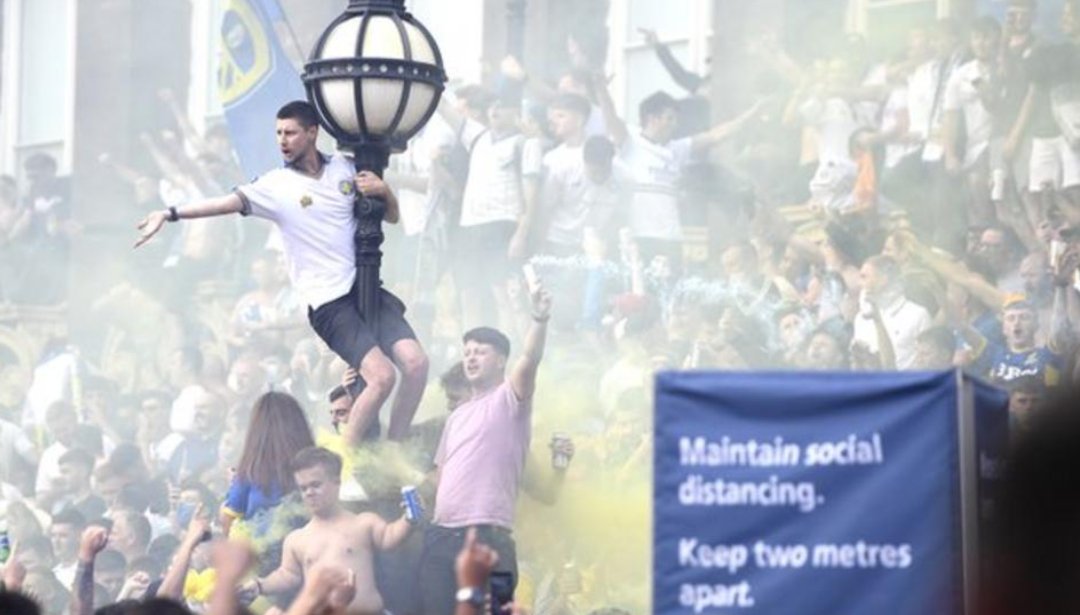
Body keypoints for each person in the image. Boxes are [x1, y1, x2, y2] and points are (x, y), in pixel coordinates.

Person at [134, 100, 430, 445]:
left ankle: (395, 447)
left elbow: (391, 216)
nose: (282, 140)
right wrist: (169, 214)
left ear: (312, 133)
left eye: (290, 133)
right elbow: (224, 203)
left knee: (416, 364)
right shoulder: (276, 185)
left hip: (363, 286)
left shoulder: (345, 168)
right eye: (278, 133)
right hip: (329, 303)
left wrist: (384, 191)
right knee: (382, 377)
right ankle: (345, 460)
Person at [419, 280, 552, 615]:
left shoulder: (510, 400)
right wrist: (414, 492)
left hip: (490, 538)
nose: (471, 358)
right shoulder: (456, 417)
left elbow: (530, 358)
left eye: (480, 351)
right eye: (467, 352)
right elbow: (441, 474)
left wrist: (539, 318)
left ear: (501, 360)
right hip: (441, 537)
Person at [243, 446, 414, 614]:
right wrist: (260, 585)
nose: (309, 493)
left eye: (316, 485)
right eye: (303, 488)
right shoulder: (297, 539)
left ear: (336, 482)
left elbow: (389, 537)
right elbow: (288, 575)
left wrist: (409, 519)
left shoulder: (363, 523)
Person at [219, 391, 315, 539]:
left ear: (256, 430)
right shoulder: (315, 466)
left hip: (260, 550)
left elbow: (228, 522)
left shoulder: (250, 471)